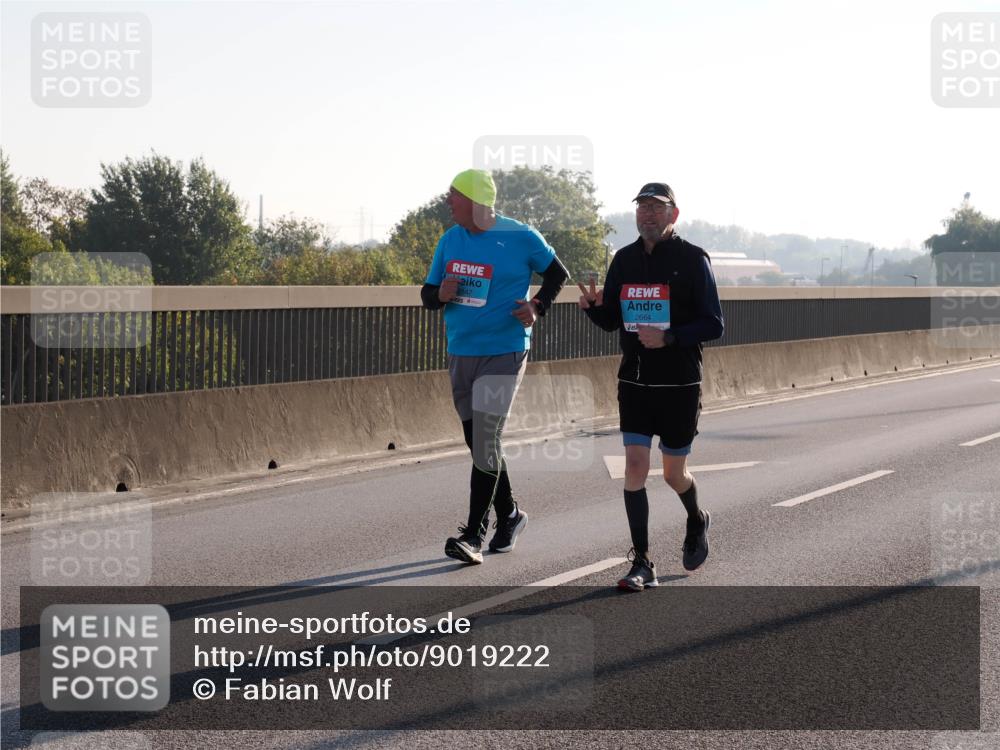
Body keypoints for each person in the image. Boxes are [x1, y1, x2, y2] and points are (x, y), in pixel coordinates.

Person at [578, 182, 724, 590]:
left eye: (657, 209)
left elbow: (715, 323)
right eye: (642, 208)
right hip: (636, 380)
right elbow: (613, 320)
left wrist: (670, 336)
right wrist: (594, 309)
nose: (648, 215)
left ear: (673, 215)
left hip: (680, 383)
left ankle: (697, 518)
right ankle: (642, 562)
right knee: (636, 467)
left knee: (674, 473)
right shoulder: (623, 260)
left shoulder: (693, 259)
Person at [421, 169, 568, 564]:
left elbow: (557, 273)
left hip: (505, 349)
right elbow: (427, 295)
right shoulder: (450, 240)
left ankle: (472, 535)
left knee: (486, 439)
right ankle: (511, 514)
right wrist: (441, 292)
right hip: (461, 351)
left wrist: (537, 306)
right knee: (480, 443)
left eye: (454, 195)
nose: (448, 202)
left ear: (474, 200)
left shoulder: (521, 236)